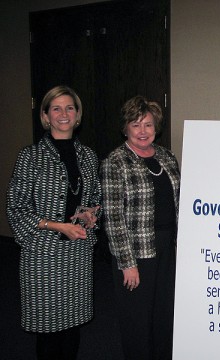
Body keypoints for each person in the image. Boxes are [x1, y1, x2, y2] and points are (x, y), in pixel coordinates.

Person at [6, 85, 102, 360]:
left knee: (72, 329)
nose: (63, 114)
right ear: (46, 116)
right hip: (43, 255)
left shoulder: (88, 156)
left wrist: (91, 214)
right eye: (56, 108)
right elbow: (16, 207)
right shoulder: (31, 156)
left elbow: (95, 198)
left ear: (77, 114)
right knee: (48, 332)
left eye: (69, 107)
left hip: (77, 253)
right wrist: (58, 226)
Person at [100, 95, 180, 360]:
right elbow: (112, 217)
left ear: (156, 126)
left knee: (164, 314)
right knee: (137, 319)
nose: (143, 131)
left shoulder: (168, 157)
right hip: (136, 253)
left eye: (148, 124)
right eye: (136, 125)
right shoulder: (116, 162)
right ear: (126, 128)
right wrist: (127, 263)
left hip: (167, 250)